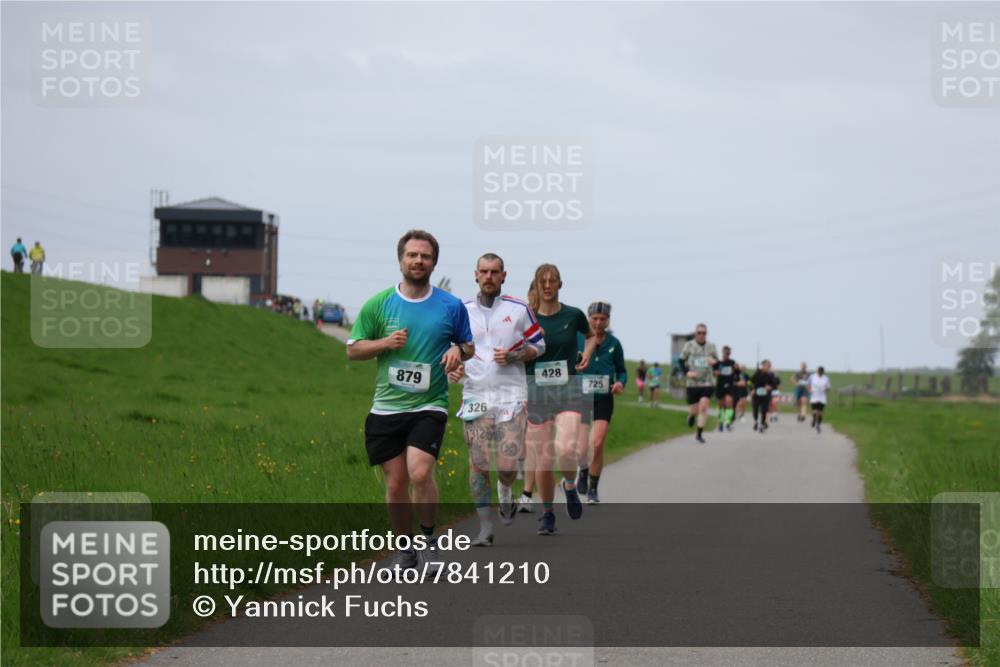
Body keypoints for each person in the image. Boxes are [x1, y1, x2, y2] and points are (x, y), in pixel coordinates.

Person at [346, 230, 474, 572]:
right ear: (401, 259)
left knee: (420, 473)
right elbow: (353, 349)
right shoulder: (379, 304)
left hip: (429, 404)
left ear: (434, 262)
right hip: (386, 408)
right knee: (396, 482)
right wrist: (385, 344)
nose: (418, 261)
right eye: (412, 255)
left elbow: (468, 346)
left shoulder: (450, 305)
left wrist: (456, 350)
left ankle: (430, 543)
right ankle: (405, 551)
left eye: (425, 256)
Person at [450, 253, 544, 546]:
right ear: (475, 275)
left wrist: (515, 355)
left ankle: (505, 492)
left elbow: (539, 345)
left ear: (504, 276)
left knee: (505, 465)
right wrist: (454, 368)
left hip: (511, 394)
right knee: (478, 462)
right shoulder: (460, 310)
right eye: (484, 272)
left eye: (495, 272)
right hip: (476, 392)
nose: (489, 276)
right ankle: (485, 528)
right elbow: (451, 348)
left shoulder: (519, 309)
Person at [524, 264, 596, 535]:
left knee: (566, 450)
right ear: (536, 285)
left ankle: (569, 486)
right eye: (542, 281)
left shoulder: (573, 315)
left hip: (568, 390)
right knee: (543, 458)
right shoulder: (526, 317)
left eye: (552, 281)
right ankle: (547, 513)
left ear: (560, 285)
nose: (547, 285)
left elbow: (590, 336)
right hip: (537, 392)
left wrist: (586, 353)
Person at [575, 302, 626, 504]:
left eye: (602, 319)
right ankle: (583, 470)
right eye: (594, 318)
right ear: (588, 319)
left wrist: (620, 383)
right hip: (580, 396)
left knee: (597, 444)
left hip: (603, 397)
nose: (598, 322)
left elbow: (622, 370)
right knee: (580, 447)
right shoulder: (578, 339)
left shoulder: (614, 343)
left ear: (608, 320)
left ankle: (593, 489)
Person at [679, 324, 719, 443]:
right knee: (694, 410)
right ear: (695, 334)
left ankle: (699, 434)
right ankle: (691, 416)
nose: (701, 335)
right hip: (692, 383)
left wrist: (715, 363)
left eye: (704, 333)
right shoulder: (689, 345)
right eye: (699, 333)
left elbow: (718, 363)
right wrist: (687, 372)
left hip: (707, 382)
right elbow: (681, 361)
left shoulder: (711, 346)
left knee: (703, 407)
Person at [713, 346, 739, 432]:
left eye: (728, 353)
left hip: (729, 385)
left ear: (730, 354)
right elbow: (714, 373)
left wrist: (737, 369)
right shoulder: (718, 363)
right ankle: (720, 422)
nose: (726, 355)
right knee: (721, 405)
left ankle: (728, 423)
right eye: (725, 353)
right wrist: (716, 373)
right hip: (720, 385)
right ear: (722, 353)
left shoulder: (732, 363)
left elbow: (737, 374)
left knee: (729, 402)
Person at [750, 360, 779, 433]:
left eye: (768, 366)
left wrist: (770, 387)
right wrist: (752, 389)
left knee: (764, 410)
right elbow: (750, 382)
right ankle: (756, 421)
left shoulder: (770, 375)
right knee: (755, 409)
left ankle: (762, 424)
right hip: (756, 394)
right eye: (765, 365)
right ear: (762, 366)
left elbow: (774, 385)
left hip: (766, 395)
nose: (766, 367)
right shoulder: (757, 373)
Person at [808, 366, 832, 434]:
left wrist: (826, 389)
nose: (820, 373)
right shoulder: (812, 376)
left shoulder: (826, 378)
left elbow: (829, 387)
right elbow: (808, 384)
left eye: (821, 372)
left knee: (820, 413)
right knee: (815, 411)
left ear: (823, 372)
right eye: (819, 372)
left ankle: (818, 425)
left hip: (822, 397)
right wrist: (810, 390)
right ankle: (814, 419)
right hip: (814, 396)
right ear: (817, 371)